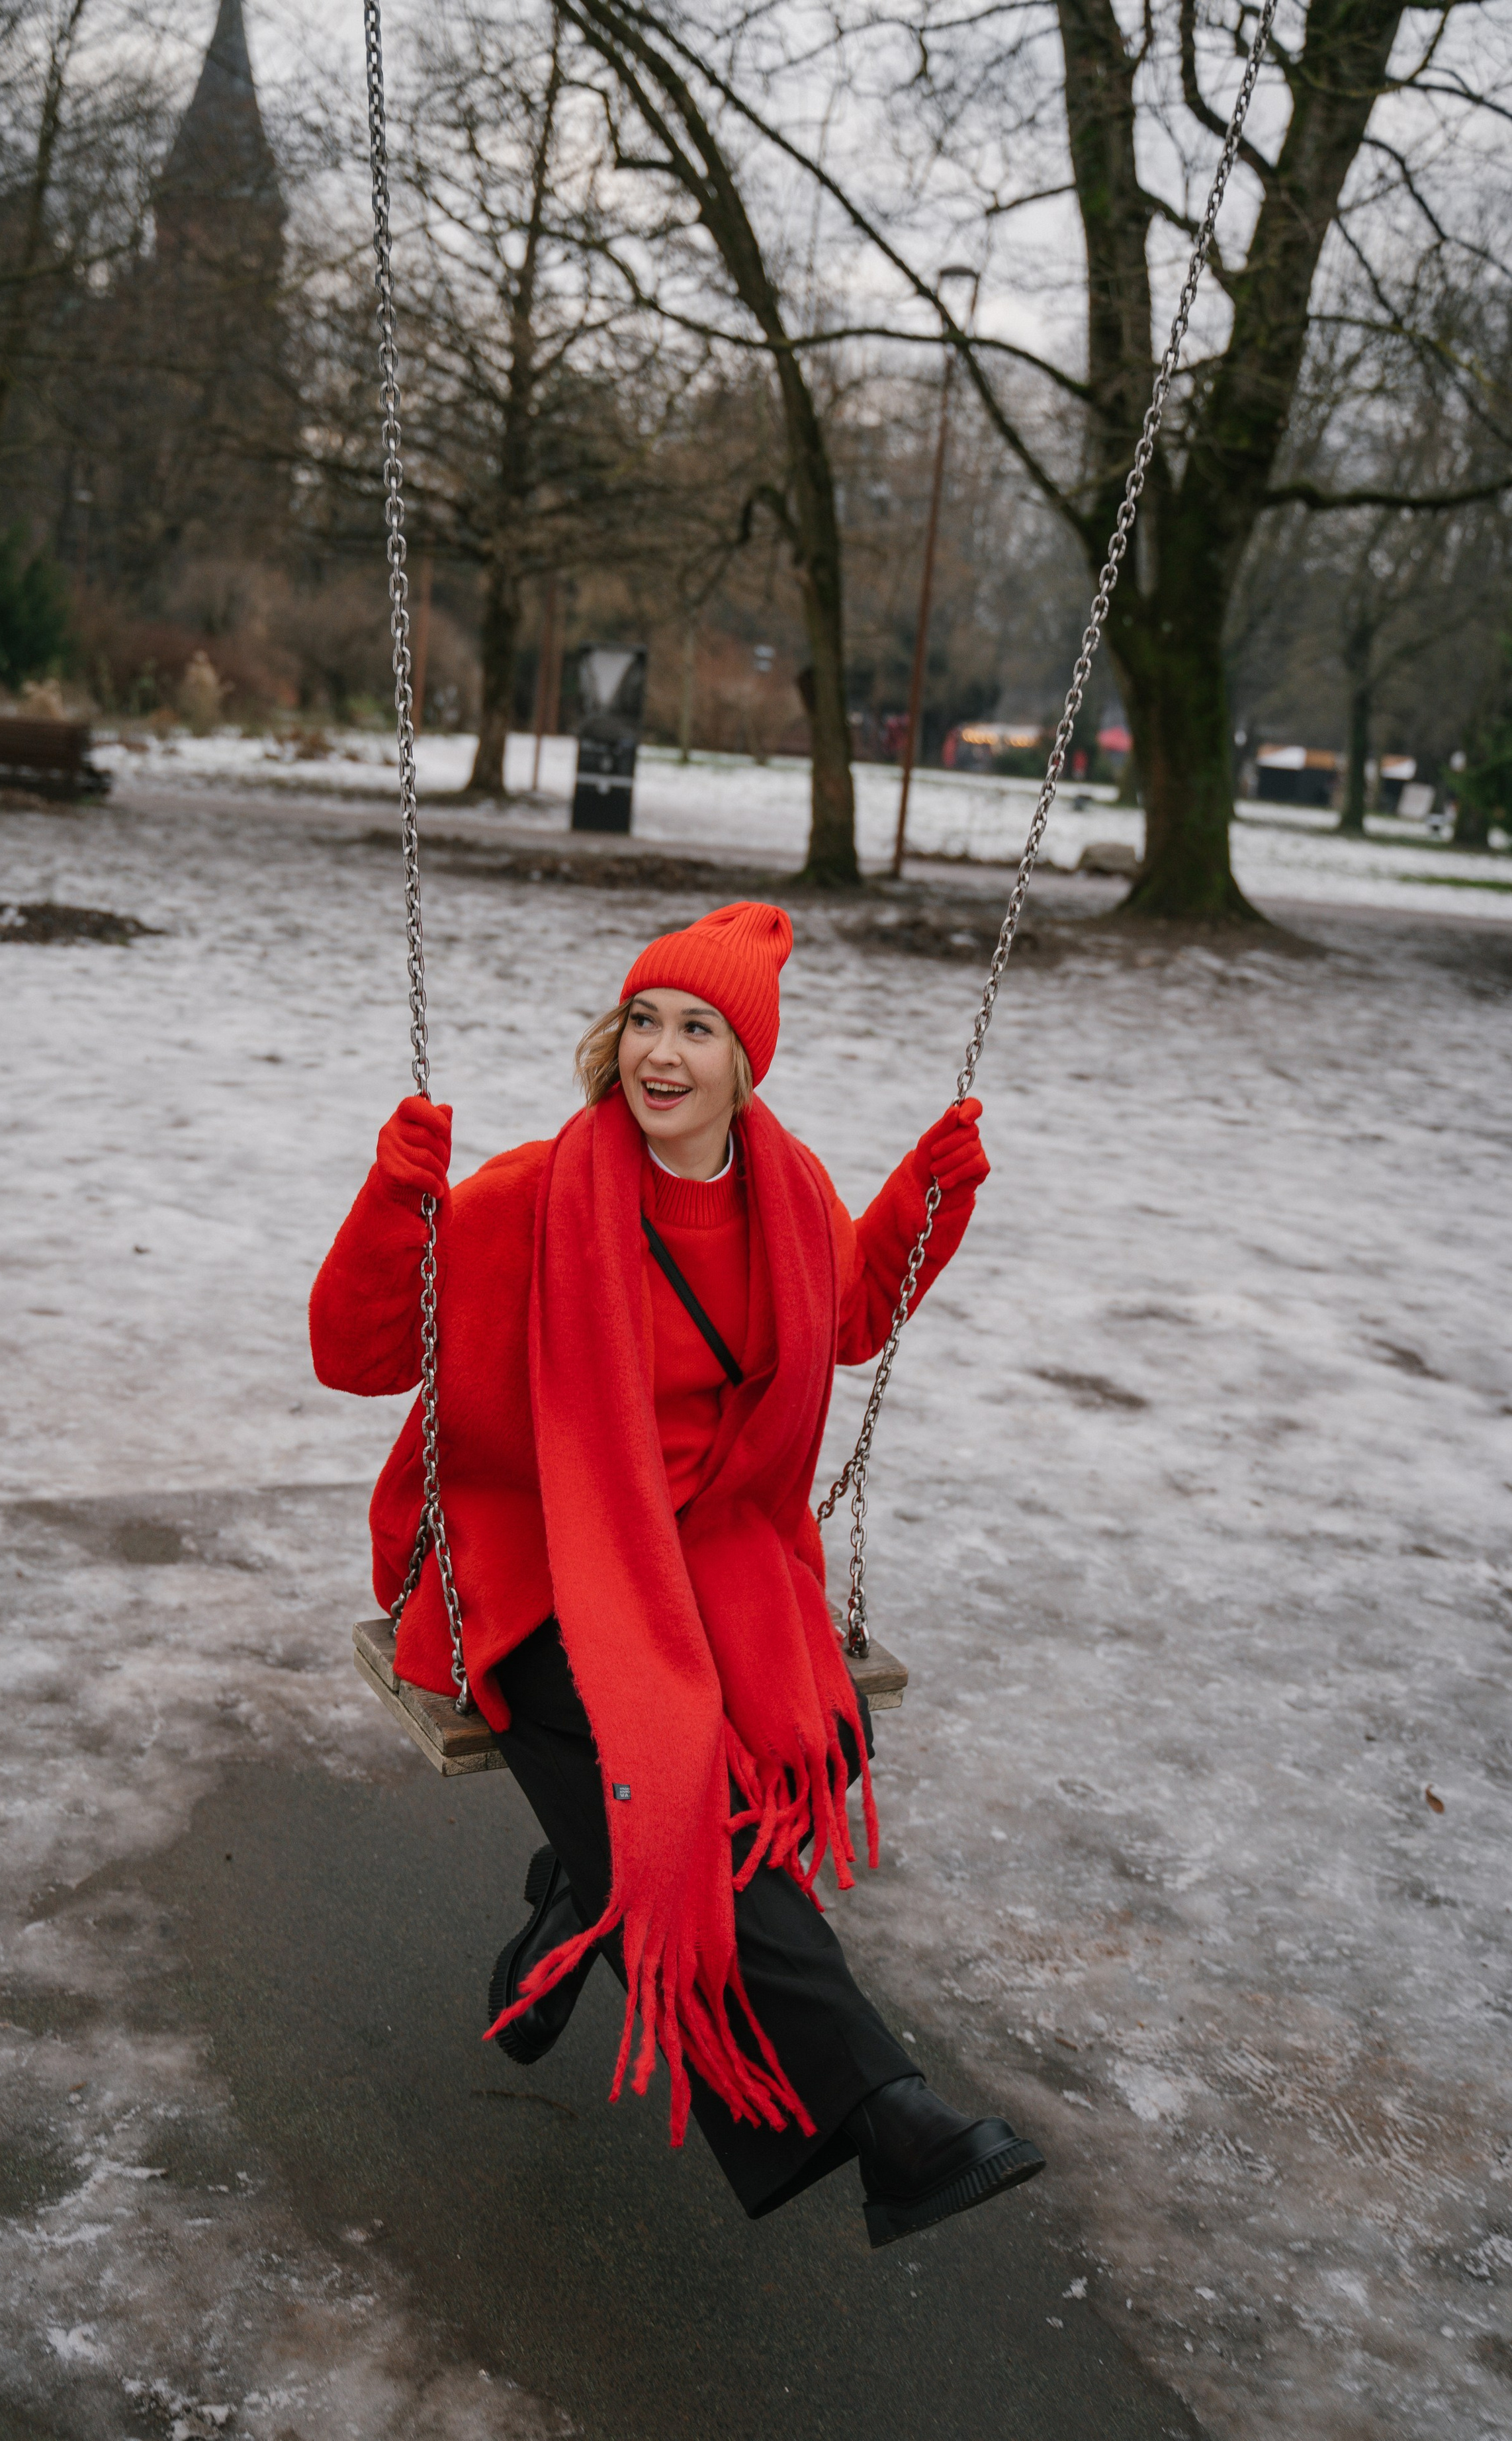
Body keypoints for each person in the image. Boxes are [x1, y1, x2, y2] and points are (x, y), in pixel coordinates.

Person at [310, 901, 1044, 2247]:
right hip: (525, 1555)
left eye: (696, 1029)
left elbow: (846, 1318)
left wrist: (926, 1198)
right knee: (671, 1785)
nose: (659, 1052)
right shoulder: (532, 1196)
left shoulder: (786, 1192)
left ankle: (582, 1905)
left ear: (743, 1062)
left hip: (699, 1550)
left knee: (793, 1740)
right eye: (641, 1020)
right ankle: (882, 2111)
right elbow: (354, 1354)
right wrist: (397, 1198)